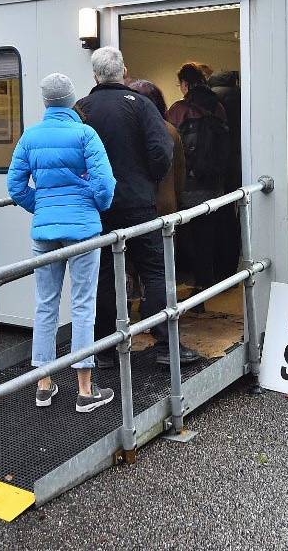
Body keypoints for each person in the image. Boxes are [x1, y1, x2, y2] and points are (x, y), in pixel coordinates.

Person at [77, 47, 201, 368]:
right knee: (155, 269)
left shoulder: (82, 109)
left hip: (97, 208)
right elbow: (161, 151)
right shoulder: (142, 106)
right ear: (125, 72)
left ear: (95, 76)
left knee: (105, 273)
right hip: (138, 204)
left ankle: (105, 349)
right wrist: (147, 180)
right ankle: (162, 341)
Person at [7, 73, 118, 412]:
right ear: (71, 100)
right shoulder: (85, 134)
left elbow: (15, 187)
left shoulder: (30, 136)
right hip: (83, 230)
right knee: (83, 305)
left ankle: (43, 384)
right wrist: (93, 204)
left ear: (46, 102)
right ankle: (85, 391)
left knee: (45, 305)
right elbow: (105, 184)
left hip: (44, 232)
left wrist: (41, 207)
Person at [167, 63, 231, 299]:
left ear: (184, 84)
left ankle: (190, 287)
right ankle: (207, 283)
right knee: (209, 235)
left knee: (186, 236)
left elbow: (168, 146)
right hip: (215, 183)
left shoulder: (179, 110)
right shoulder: (218, 108)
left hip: (188, 185)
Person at [125, 78, 185, 217]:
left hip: (135, 207)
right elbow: (180, 174)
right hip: (166, 206)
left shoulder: (126, 128)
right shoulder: (170, 130)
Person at [208, 70, 243, 280]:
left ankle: (220, 270)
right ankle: (234, 263)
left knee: (221, 217)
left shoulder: (213, 100)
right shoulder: (241, 96)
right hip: (238, 164)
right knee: (235, 215)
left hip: (220, 169)